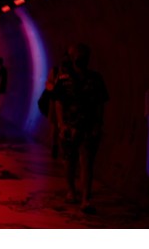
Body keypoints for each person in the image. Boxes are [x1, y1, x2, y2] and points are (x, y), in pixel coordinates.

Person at [53, 43, 109, 214]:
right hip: (69, 127)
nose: (80, 58)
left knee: (87, 162)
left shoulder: (95, 79)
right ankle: (71, 191)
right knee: (69, 162)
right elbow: (59, 103)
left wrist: (98, 124)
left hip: (88, 127)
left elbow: (100, 103)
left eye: (83, 55)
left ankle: (86, 198)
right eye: (77, 55)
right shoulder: (63, 80)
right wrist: (61, 124)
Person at [44, 53, 72, 159]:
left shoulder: (72, 73)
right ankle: (55, 145)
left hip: (68, 104)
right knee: (55, 126)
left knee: (63, 127)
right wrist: (55, 87)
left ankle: (63, 148)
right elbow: (48, 84)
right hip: (55, 102)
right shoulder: (55, 71)